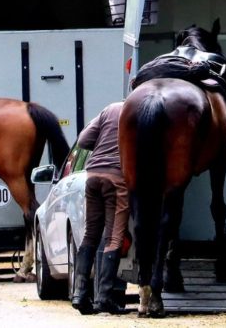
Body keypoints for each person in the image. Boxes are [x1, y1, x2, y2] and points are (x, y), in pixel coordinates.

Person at [72, 101, 128, 315]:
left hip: (93, 175)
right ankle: (104, 297)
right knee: (114, 237)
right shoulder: (137, 110)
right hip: (116, 178)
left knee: (90, 234)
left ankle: (79, 293)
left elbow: (84, 139)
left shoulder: (110, 108)